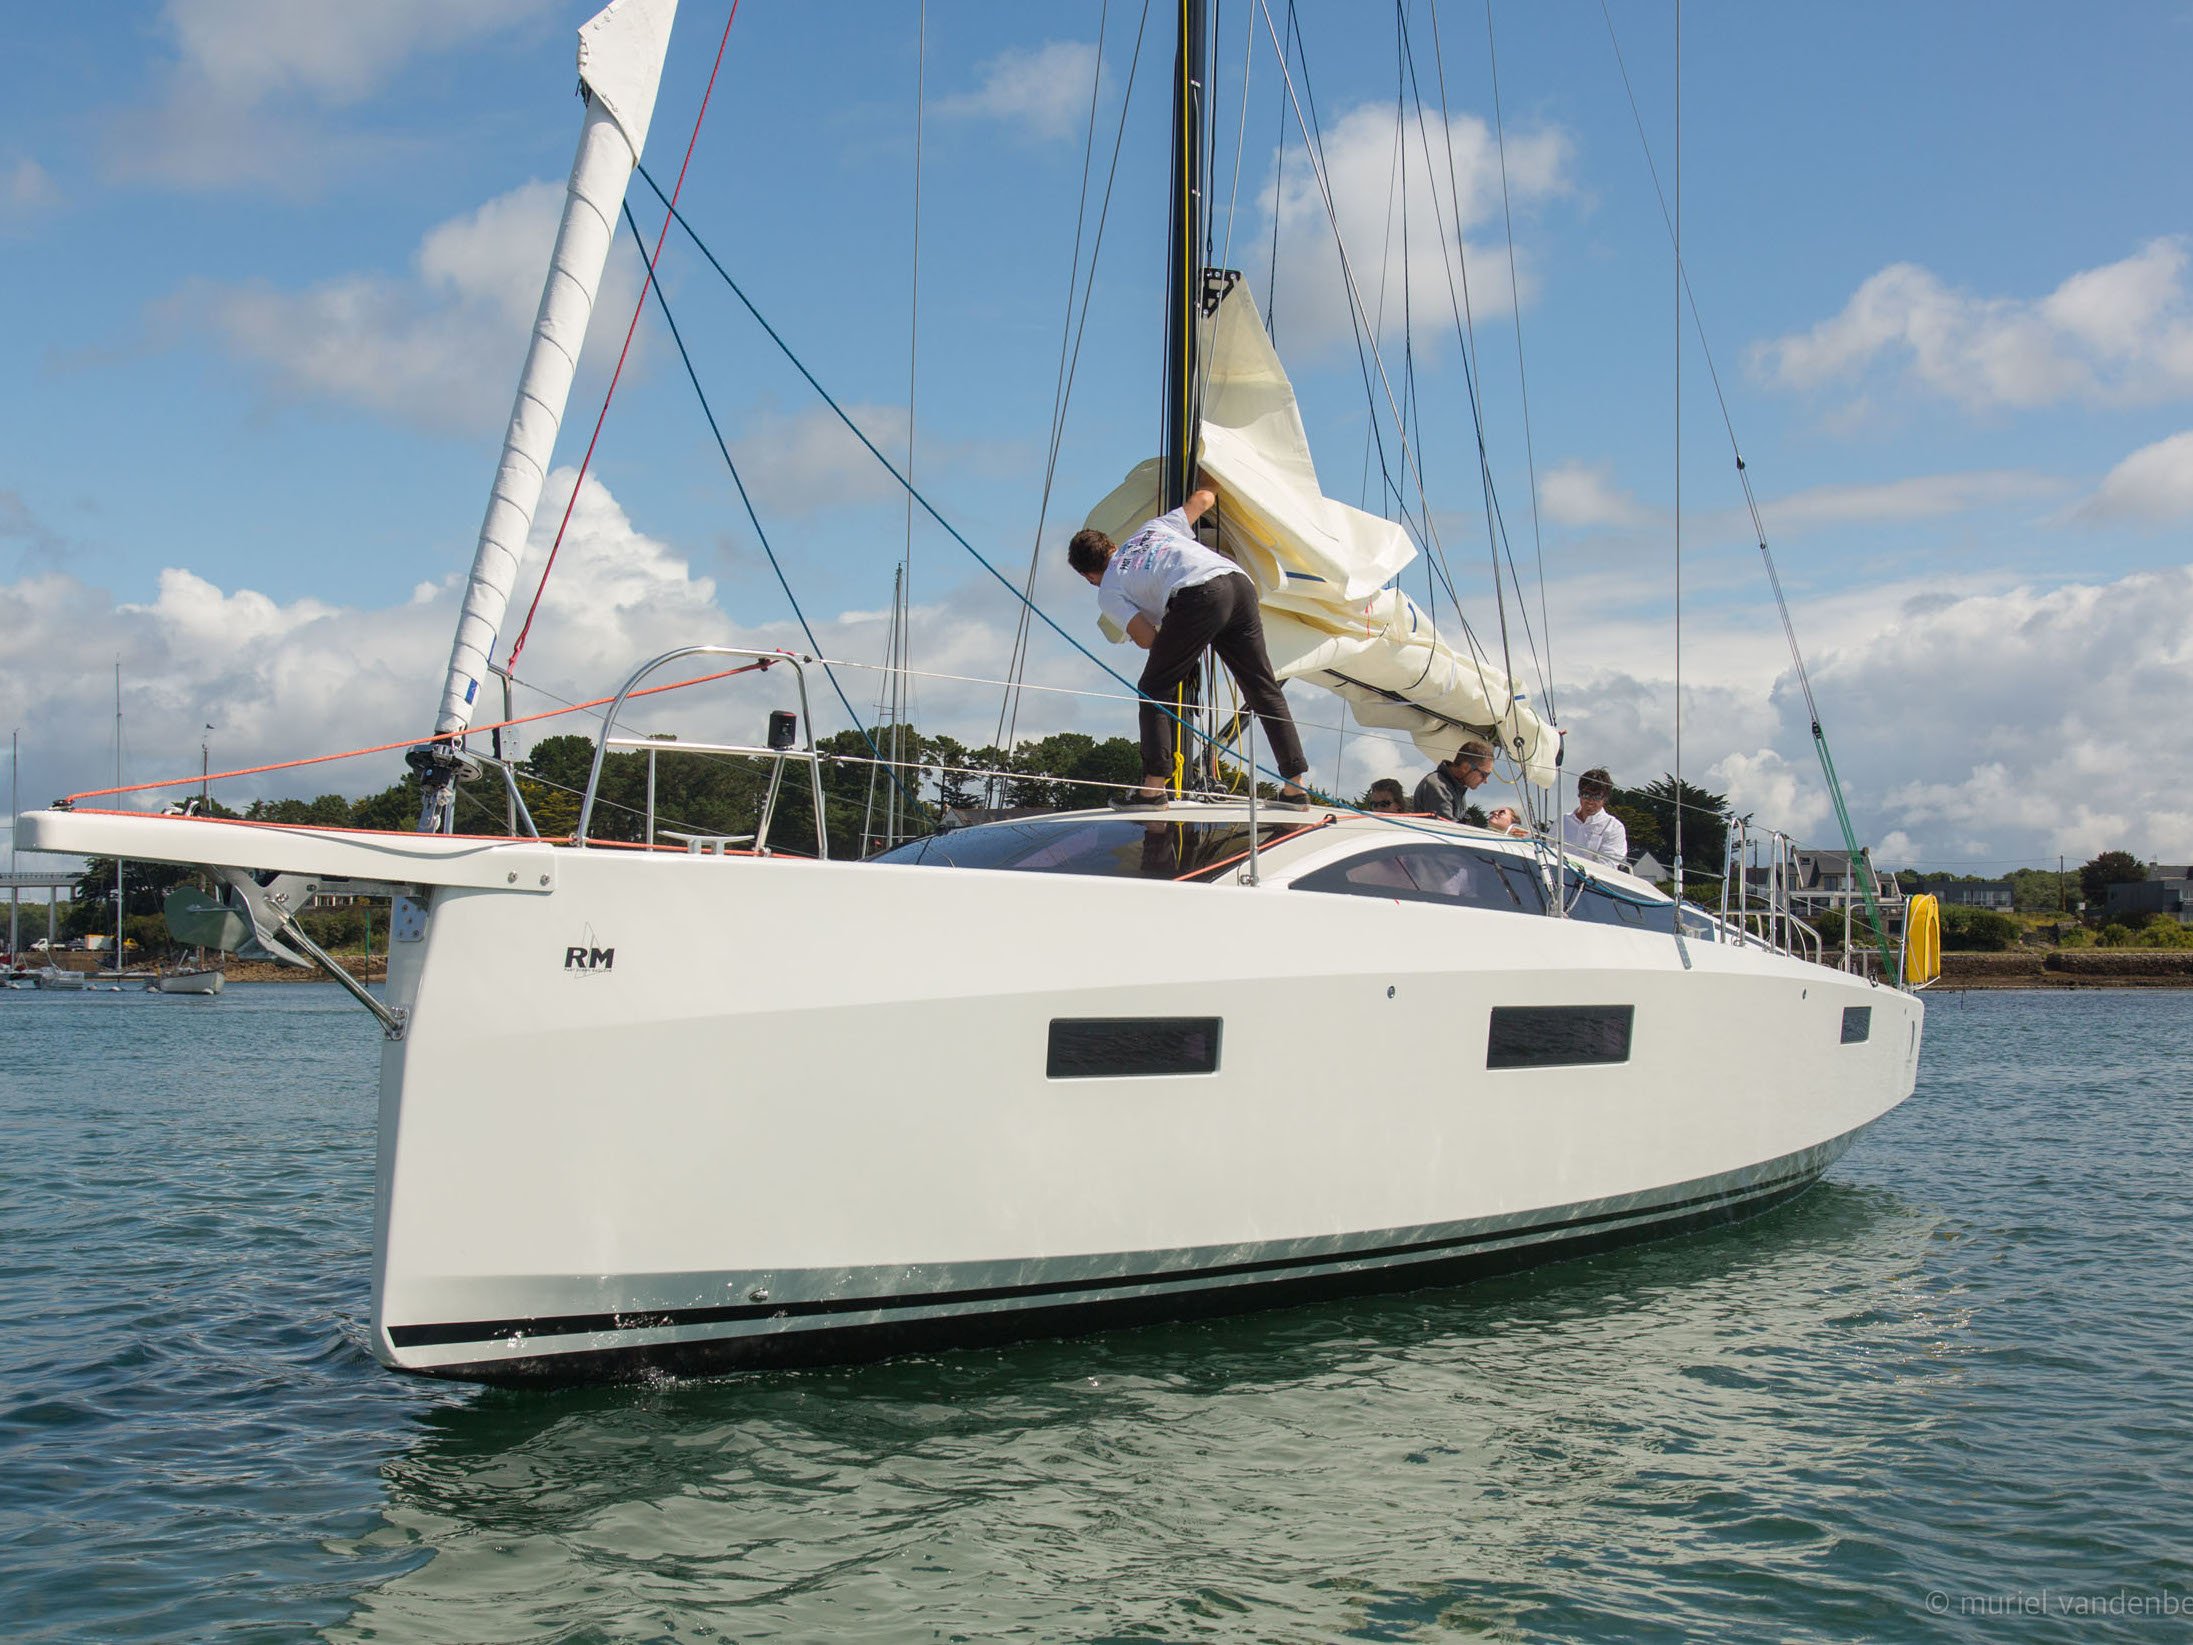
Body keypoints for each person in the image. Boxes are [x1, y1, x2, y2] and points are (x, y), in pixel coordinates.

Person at [1070, 486, 1310, 807]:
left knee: (1153, 687)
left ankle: (1153, 789)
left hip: (1198, 595)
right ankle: (1295, 786)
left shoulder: (1108, 589)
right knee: (1262, 688)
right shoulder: (1152, 529)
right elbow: (1204, 499)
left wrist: (1180, 636)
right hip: (1239, 584)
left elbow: (1147, 640)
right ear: (1112, 544)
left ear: (1088, 576)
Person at [1412, 740, 1494, 822]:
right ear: (1465, 767)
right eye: (1484, 775)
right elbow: (1446, 829)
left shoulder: (1455, 786)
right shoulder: (1438, 786)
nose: (1485, 781)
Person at [1562, 768, 1629, 864]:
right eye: (1586, 794)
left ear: (1605, 798)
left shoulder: (1614, 828)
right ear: (1579, 794)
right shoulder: (1563, 821)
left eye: (1596, 797)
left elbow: (1607, 866)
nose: (1590, 801)